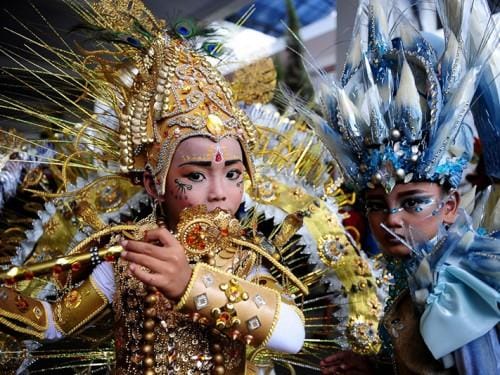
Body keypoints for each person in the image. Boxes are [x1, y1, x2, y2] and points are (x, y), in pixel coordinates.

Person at [0, 1, 306, 373]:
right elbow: (53, 322)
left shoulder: (244, 257)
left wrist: (189, 284)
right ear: (153, 183)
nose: (219, 193)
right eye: (195, 175)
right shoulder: (131, 254)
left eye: (233, 174)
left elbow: (292, 334)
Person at [289, 0, 500, 373]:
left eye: (413, 202)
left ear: (450, 205)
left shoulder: (459, 285)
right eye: (375, 203)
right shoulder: (416, 267)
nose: (392, 219)